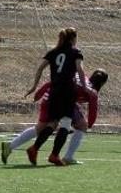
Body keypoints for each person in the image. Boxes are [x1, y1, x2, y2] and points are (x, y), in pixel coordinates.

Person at [1, 69, 108, 165]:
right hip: (59, 102)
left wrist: (40, 92)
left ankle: (11, 146)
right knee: (80, 126)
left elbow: (55, 81)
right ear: (102, 83)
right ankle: (64, 156)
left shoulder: (80, 77)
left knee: (41, 128)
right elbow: (93, 111)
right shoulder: (92, 92)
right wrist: (90, 125)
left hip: (49, 97)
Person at [24, 28, 93, 166]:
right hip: (68, 91)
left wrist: (33, 87)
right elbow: (79, 69)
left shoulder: (53, 52)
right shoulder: (76, 52)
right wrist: (85, 88)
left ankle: (34, 148)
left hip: (54, 91)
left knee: (53, 123)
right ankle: (54, 155)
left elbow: (40, 68)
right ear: (74, 38)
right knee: (66, 123)